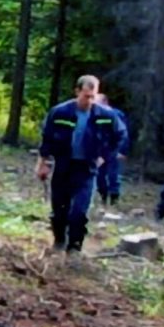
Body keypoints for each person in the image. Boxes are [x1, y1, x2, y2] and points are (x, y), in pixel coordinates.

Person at [35, 75, 123, 254]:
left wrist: (104, 156)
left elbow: (119, 135)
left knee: (79, 211)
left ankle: (75, 247)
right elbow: (47, 138)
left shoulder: (105, 116)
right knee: (59, 209)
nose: (89, 101)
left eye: (93, 97)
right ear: (77, 92)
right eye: (86, 96)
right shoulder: (60, 112)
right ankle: (59, 241)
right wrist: (43, 163)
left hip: (87, 168)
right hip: (63, 165)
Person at [95, 93, 130, 204]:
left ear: (104, 102)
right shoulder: (96, 115)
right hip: (101, 149)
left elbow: (124, 133)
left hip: (114, 149)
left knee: (113, 175)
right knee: (99, 175)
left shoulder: (116, 114)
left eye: (97, 102)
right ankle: (103, 196)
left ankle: (114, 197)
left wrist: (122, 150)